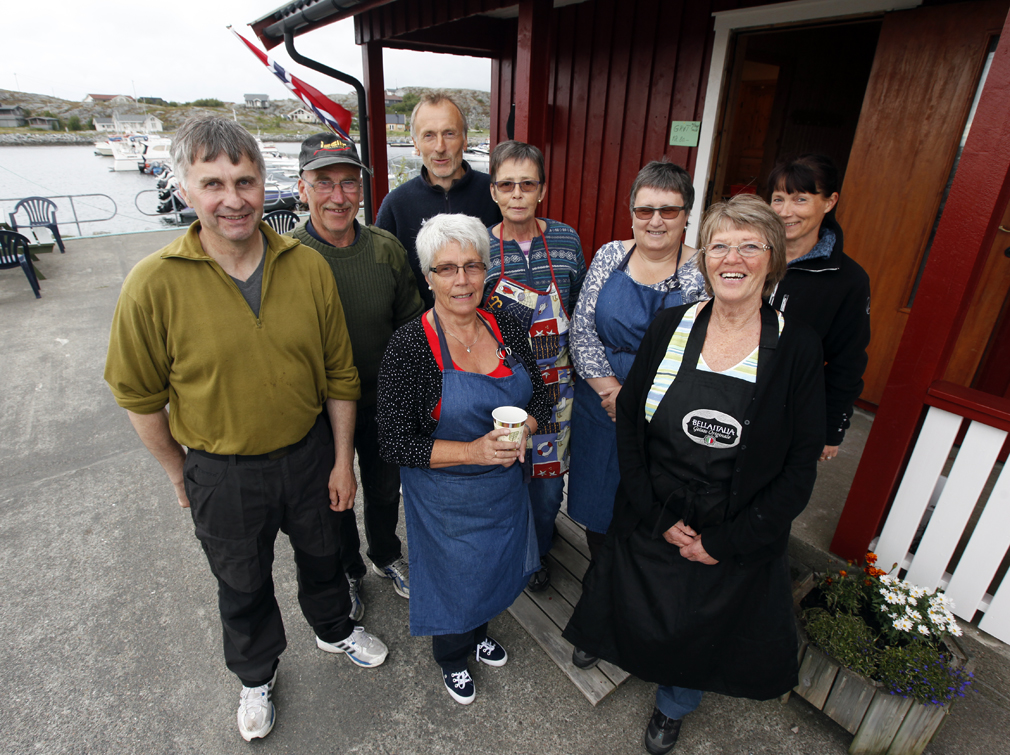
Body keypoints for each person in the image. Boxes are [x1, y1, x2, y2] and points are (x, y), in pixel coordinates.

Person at [104, 116, 388, 743]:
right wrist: (181, 473)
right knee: (241, 580)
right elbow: (138, 394)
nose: (232, 198)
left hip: (311, 454)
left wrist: (343, 460)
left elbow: (341, 373)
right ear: (184, 187)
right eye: (213, 182)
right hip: (222, 470)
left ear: (265, 185)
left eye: (245, 180)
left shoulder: (307, 267)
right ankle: (256, 672)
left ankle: (335, 629)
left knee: (323, 556)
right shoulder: (151, 284)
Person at [563, 195, 825, 755]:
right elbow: (630, 426)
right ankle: (621, 647)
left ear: (772, 259)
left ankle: (673, 704)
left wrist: (729, 539)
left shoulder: (797, 347)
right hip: (657, 509)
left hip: (734, 524)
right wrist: (655, 511)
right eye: (721, 245)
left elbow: (800, 465)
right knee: (631, 601)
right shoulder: (669, 326)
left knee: (701, 627)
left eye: (750, 245)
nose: (733, 258)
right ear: (704, 258)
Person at [377, 214, 551, 705]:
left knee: (492, 567)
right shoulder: (409, 348)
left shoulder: (509, 324)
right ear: (427, 276)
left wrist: (525, 432)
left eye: (472, 266)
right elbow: (393, 442)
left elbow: (538, 396)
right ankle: (451, 656)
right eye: (447, 268)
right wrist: (474, 450)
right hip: (445, 495)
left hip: (501, 488)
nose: (462, 281)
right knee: (455, 575)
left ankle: (477, 632)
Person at [291, 132, 424, 619]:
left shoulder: (386, 249)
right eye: (324, 183)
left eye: (349, 183)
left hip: (385, 402)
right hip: (321, 412)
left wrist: (413, 395)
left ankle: (386, 554)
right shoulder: (286, 258)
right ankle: (350, 569)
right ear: (303, 187)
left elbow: (412, 325)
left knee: (386, 488)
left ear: (363, 191)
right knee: (335, 495)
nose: (338, 196)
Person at [567, 161, 708, 563]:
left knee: (652, 506)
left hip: (664, 410)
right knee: (600, 505)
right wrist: (612, 392)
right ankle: (600, 578)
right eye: (645, 210)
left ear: (686, 216)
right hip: (601, 404)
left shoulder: (702, 272)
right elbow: (582, 330)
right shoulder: (610, 255)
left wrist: (636, 403)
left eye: (669, 210)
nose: (656, 221)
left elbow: (698, 352)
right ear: (632, 213)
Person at [482, 140, 587, 591]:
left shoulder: (565, 240)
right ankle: (506, 551)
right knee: (503, 477)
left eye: (527, 184)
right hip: (503, 388)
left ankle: (538, 553)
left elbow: (583, 311)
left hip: (557, 387)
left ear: (542, 190)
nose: (518, 194)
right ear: (494, 192)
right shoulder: (479, 246)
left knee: (546, 488)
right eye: (508, 185)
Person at [767, 154, 871, 461]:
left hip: (786, 414)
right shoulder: (746, 256)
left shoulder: (847, 280)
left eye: (801, 199)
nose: (786, 212)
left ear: (829, 202)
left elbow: (847, 360)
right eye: (778, 199)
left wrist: (831, 429)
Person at [375, 92, 502, 308]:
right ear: (415, 143)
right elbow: (382, 281)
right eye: (429, 135)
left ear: (465, 140)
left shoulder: (496, 194)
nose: (440, 147)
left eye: (449, 133)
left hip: (488, 329)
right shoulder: (396, 205)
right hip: (422, 333)